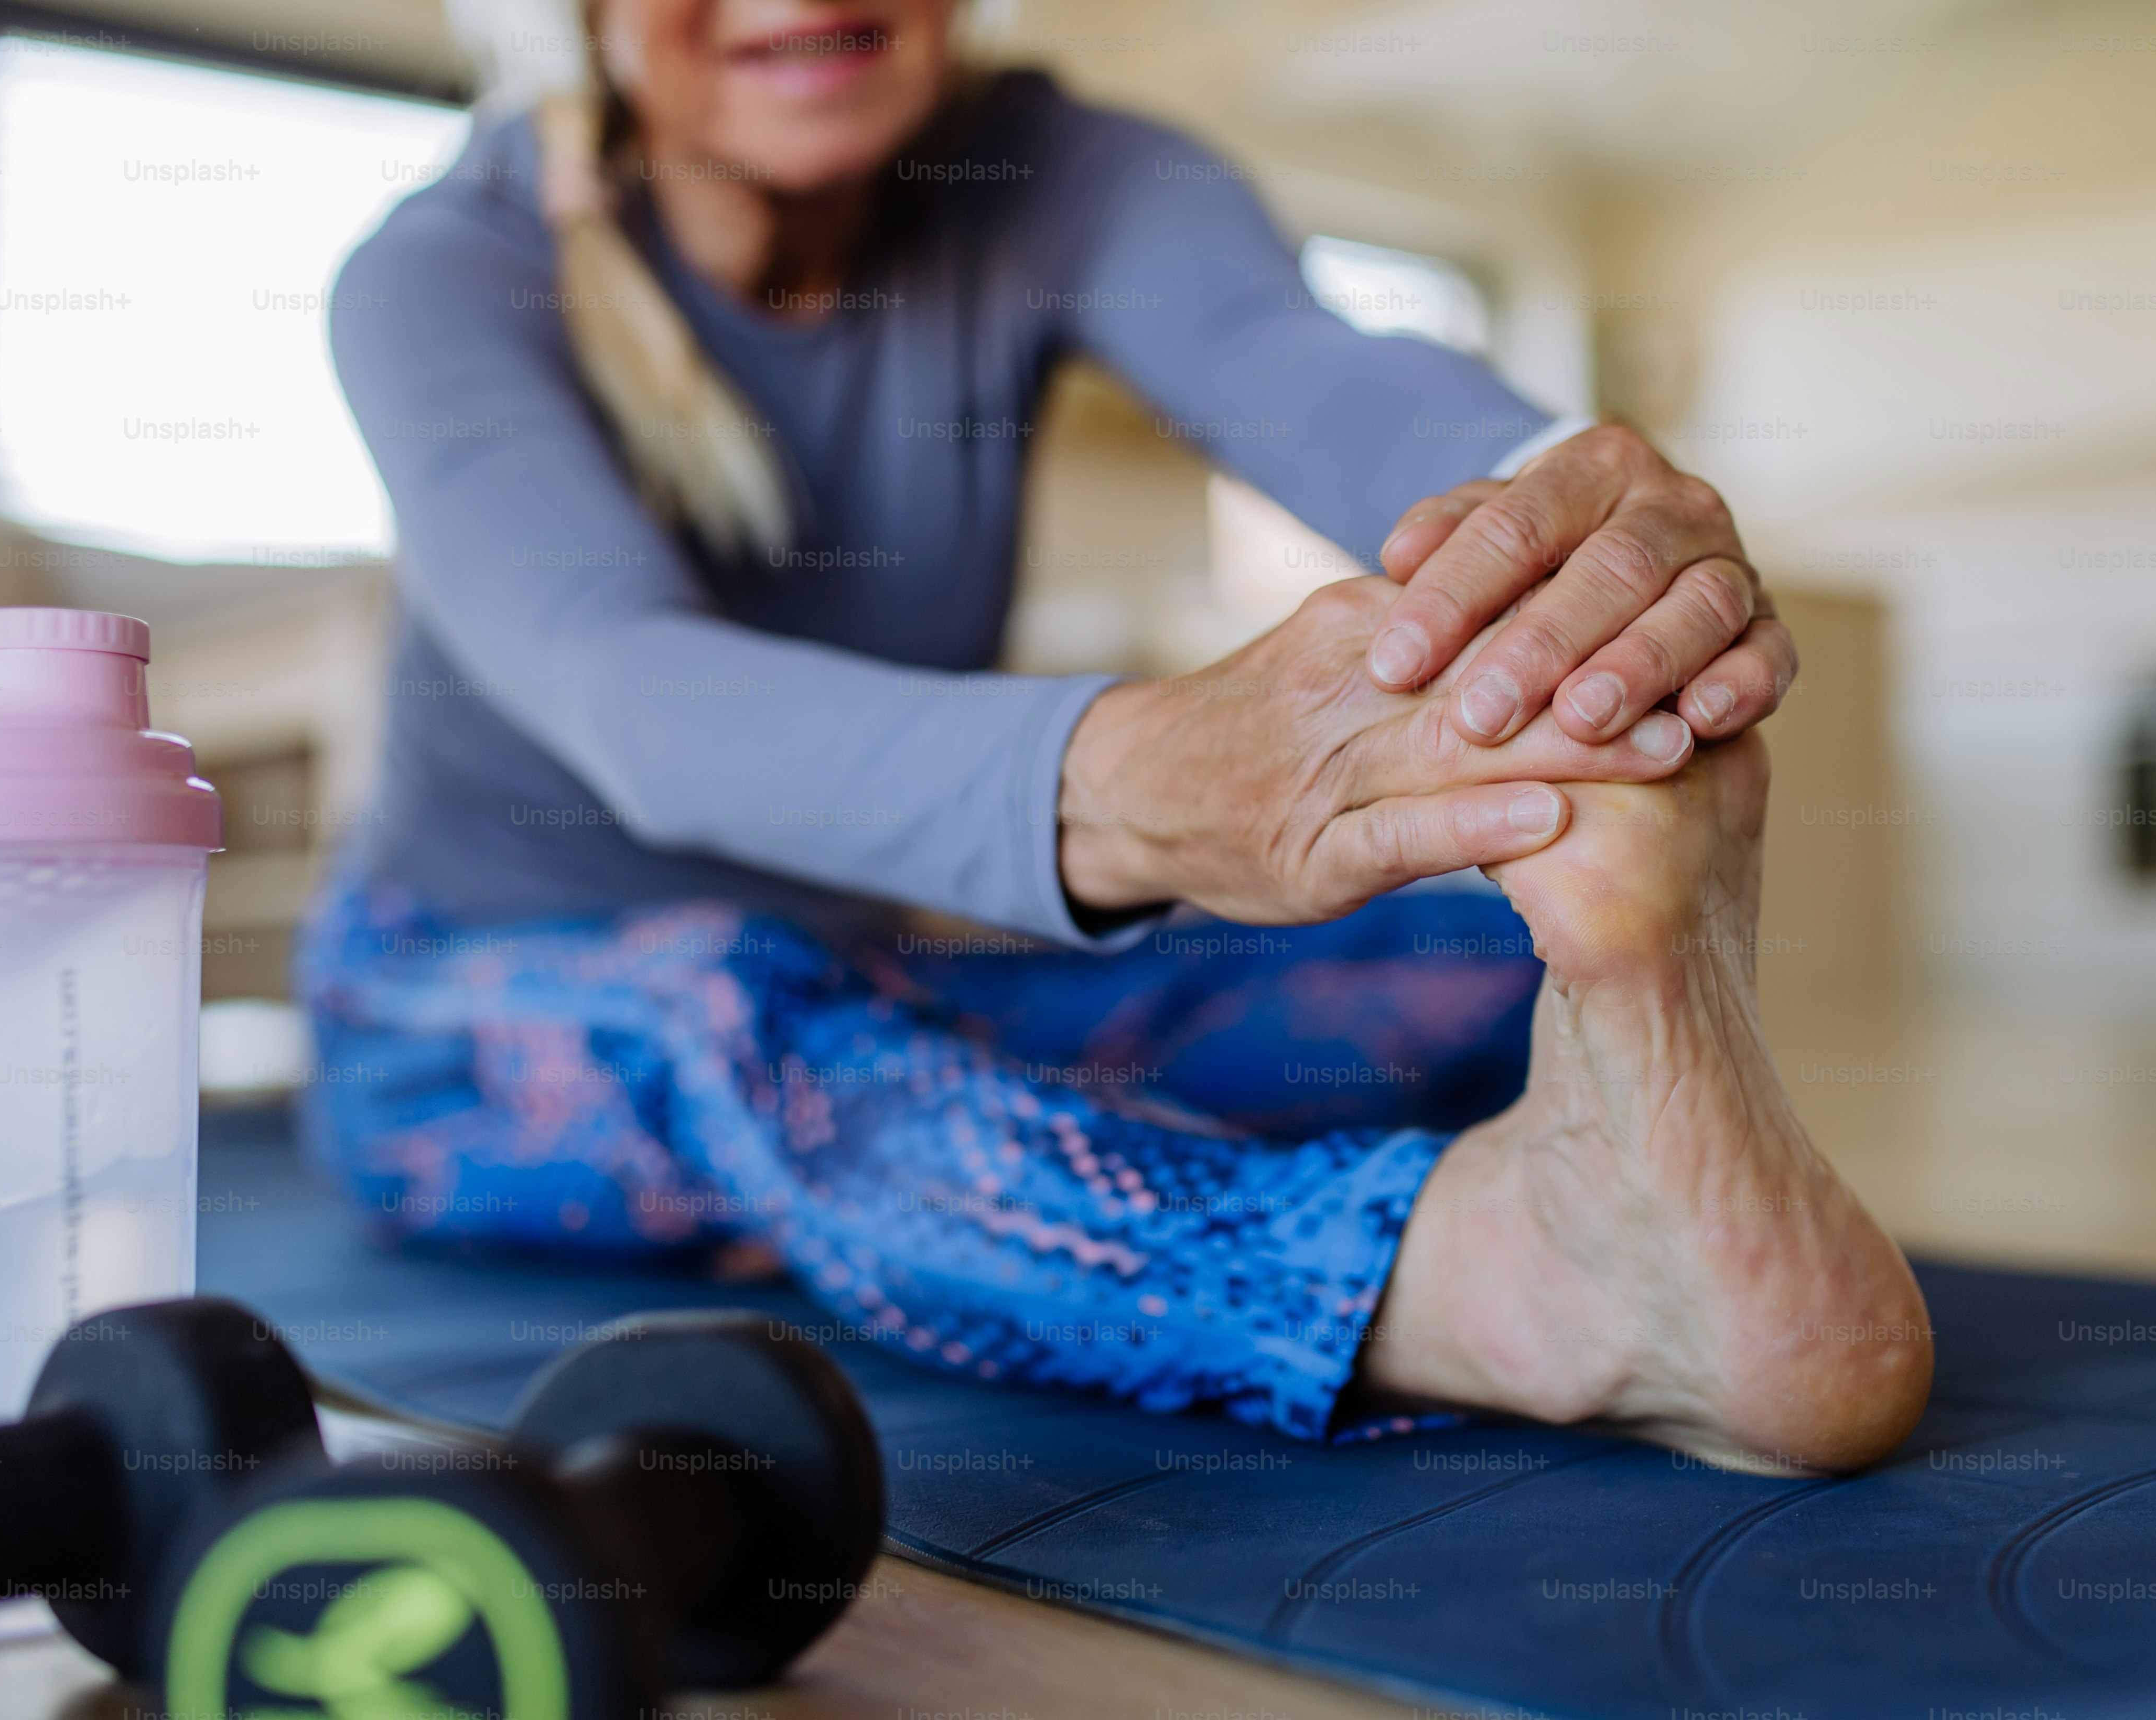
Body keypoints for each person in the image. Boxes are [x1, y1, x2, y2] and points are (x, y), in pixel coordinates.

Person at [308, 0, 1929, 1473]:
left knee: (1469, 939)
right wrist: (1140, 784)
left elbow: (1303, 374)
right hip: (455, 1011)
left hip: (873, 974)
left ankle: (938, 1161)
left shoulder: (1061, 169)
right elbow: (633, 694)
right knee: (728, 1011)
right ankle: (1482, 1287)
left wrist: (1560, 524)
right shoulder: (439, 267)